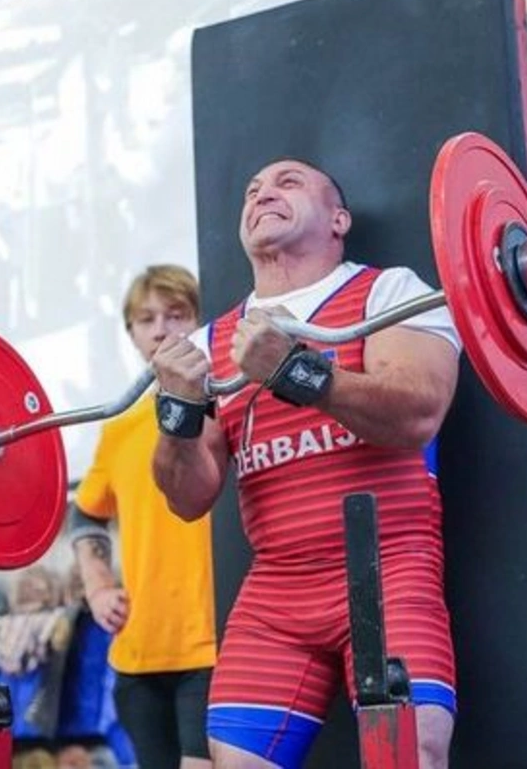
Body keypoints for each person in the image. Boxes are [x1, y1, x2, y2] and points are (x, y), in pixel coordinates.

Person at [148, 159, 461, 769]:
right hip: (278, 592)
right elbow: (188, 499)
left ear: (339, 218)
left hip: (389, 569)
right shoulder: (213, 342)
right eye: (252, 189)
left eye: (288, 182)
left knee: (410, 753)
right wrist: (177, 418)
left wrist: (299, 372)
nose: (263, 192)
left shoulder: (389, 291)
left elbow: (418, 413)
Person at [72, 264, 217, 769]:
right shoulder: (120, 423)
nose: (161, 329)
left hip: (214, 647)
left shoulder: (227, 399)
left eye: (176, 315)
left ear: (198, 319)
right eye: (146, 319)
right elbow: (86, 516)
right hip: (138, 654)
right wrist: (97, 587)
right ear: (131, 332)